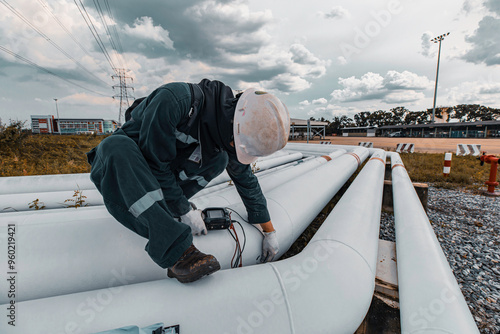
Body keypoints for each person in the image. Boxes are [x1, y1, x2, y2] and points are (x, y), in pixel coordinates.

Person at [86, 78, 290, 283]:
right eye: (233, 143)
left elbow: (246, 180)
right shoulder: (175, 100)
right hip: (124, 169)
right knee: (115, 146)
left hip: (160, 180)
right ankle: (178, 253)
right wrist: (184, 209)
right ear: (234, 123)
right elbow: (156, 165)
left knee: (219, 159)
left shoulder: (225, 132)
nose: (232, 146)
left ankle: (167, 211)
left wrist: (269, 231)